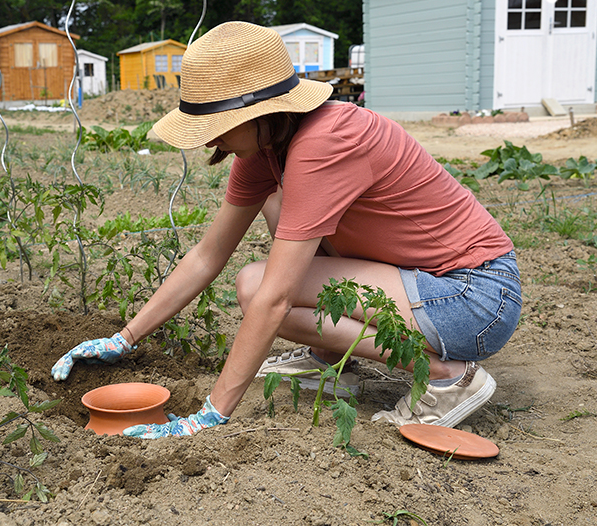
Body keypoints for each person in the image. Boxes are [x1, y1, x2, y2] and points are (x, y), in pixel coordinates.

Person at [50, 22, 522, 438]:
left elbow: (275, 295)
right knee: (278, 214)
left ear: (261, 112)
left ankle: (448, 376)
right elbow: (207, 254)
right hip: (420, 284)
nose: (210, 138)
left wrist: (210, 413)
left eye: (218, 123)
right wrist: (125, 337)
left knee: (259, 287)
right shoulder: (266, 149)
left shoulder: (326, 142)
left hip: (474, 299)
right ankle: (328, 362)